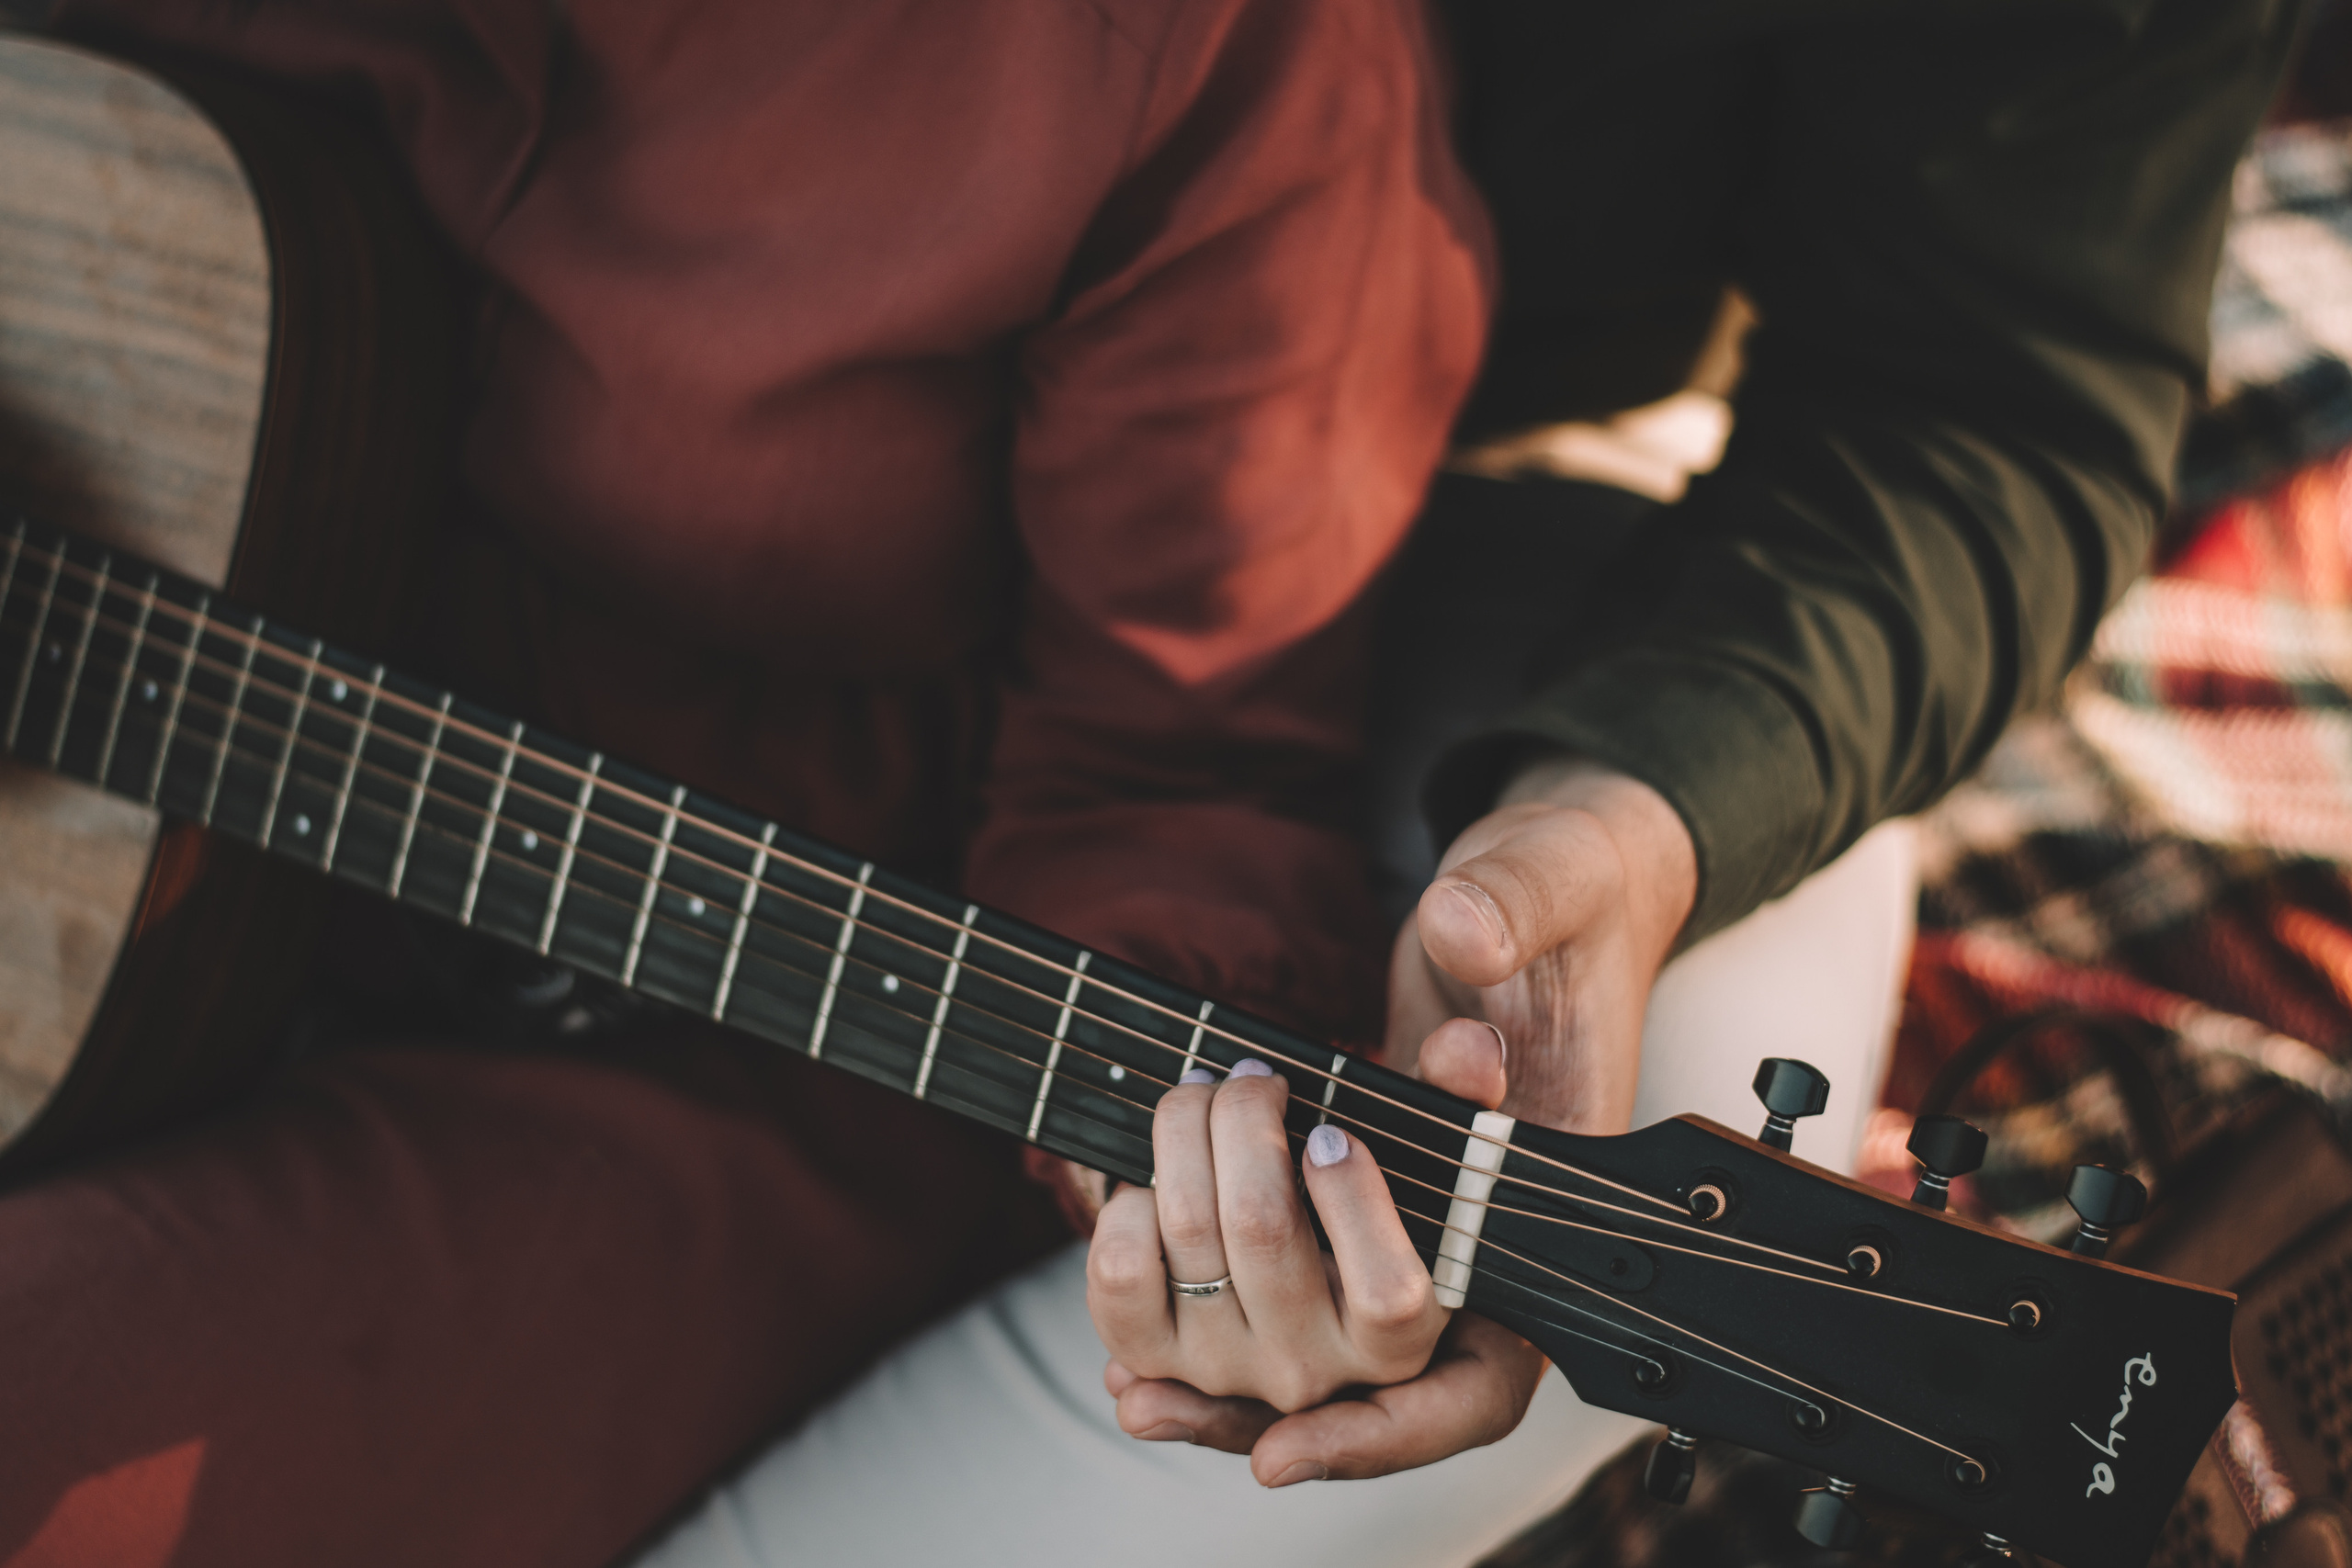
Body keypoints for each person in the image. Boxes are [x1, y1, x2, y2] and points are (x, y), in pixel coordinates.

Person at [629, 0, 2308, 1564]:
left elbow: (1988, 401)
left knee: (1656, 1083)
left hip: (1400, 499)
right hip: (660, 499)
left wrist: (1631, 809)